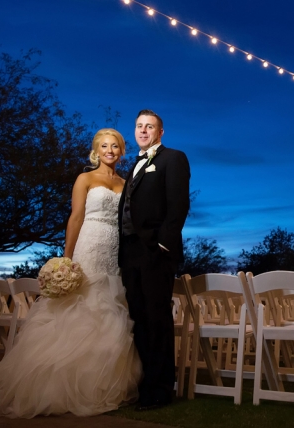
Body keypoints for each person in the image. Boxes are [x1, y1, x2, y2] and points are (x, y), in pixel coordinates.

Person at [0, 128, 141, 418]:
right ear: (96, 150)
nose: (110, 150)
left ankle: (99, 385)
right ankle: (56, 386)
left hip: (116, 250)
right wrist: (66, 258)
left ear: (121, 151)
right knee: (83, 305)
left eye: (115, 146)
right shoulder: (85, 179)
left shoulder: (125, 182)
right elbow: (75, 217)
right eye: (104, 146)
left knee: (111, 307)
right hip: (89, 245)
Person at [118, 109, 190, 411]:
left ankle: (161, 390)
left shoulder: (173, 158)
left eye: (149, 126)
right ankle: (146, 384)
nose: (143, 130)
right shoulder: (135, 164)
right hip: (130, 252)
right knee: (139, 319)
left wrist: (162, 245)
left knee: (157, 319)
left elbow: (178, 205)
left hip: (154, 252)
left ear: (160, 132)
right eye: (139, 126)